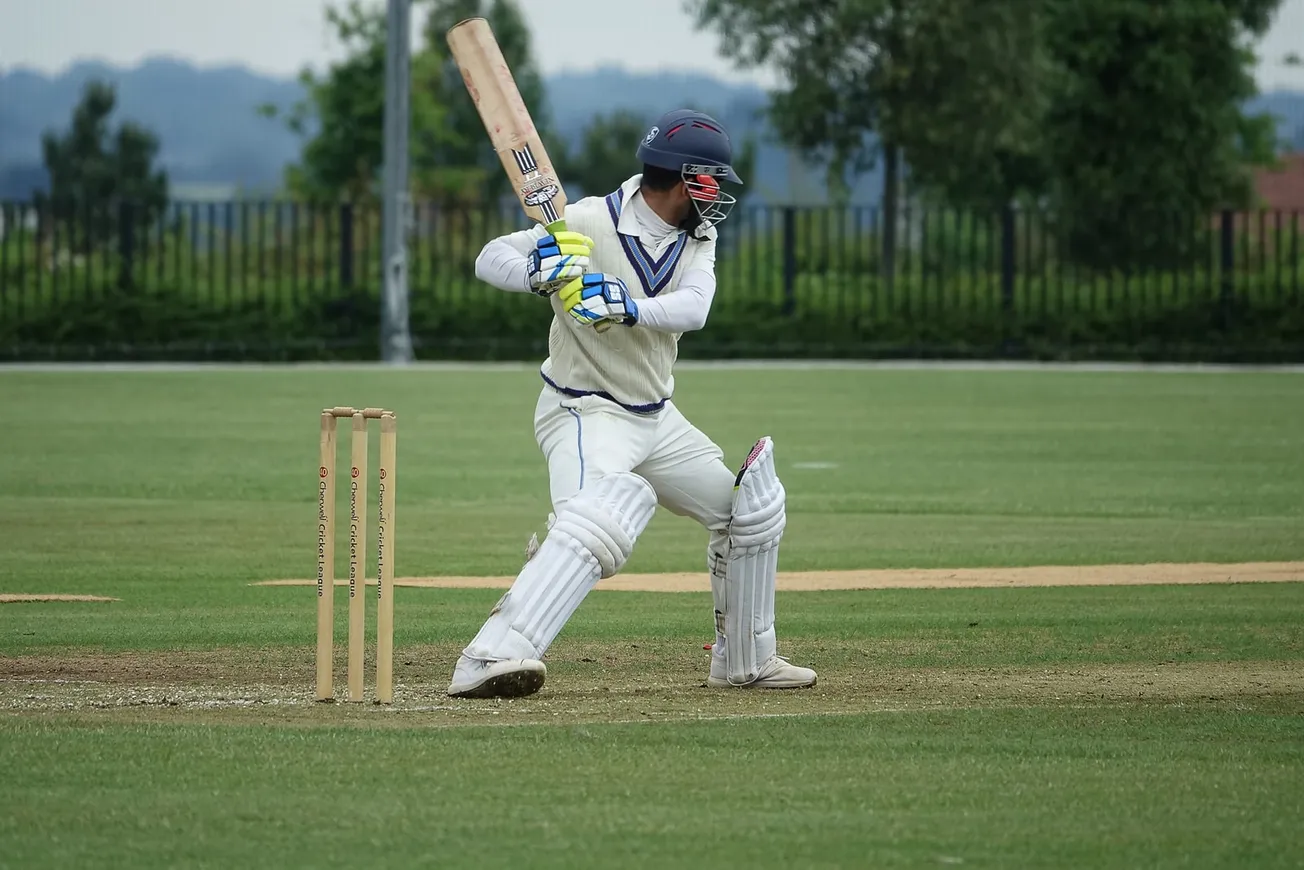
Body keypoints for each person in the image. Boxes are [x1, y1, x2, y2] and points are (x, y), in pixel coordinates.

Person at [446, 108, 817, 698]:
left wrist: (625, 305)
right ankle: (491, 656)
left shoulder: (700, 235)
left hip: (657, 419)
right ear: (681, 176)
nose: (717, 193)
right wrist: (539, 272)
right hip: (585, 412)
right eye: (710, 179)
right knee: (596, 522)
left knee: (748, 514)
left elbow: (694, 309)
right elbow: (490, 257)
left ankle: (745, 659)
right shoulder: (586, 218)